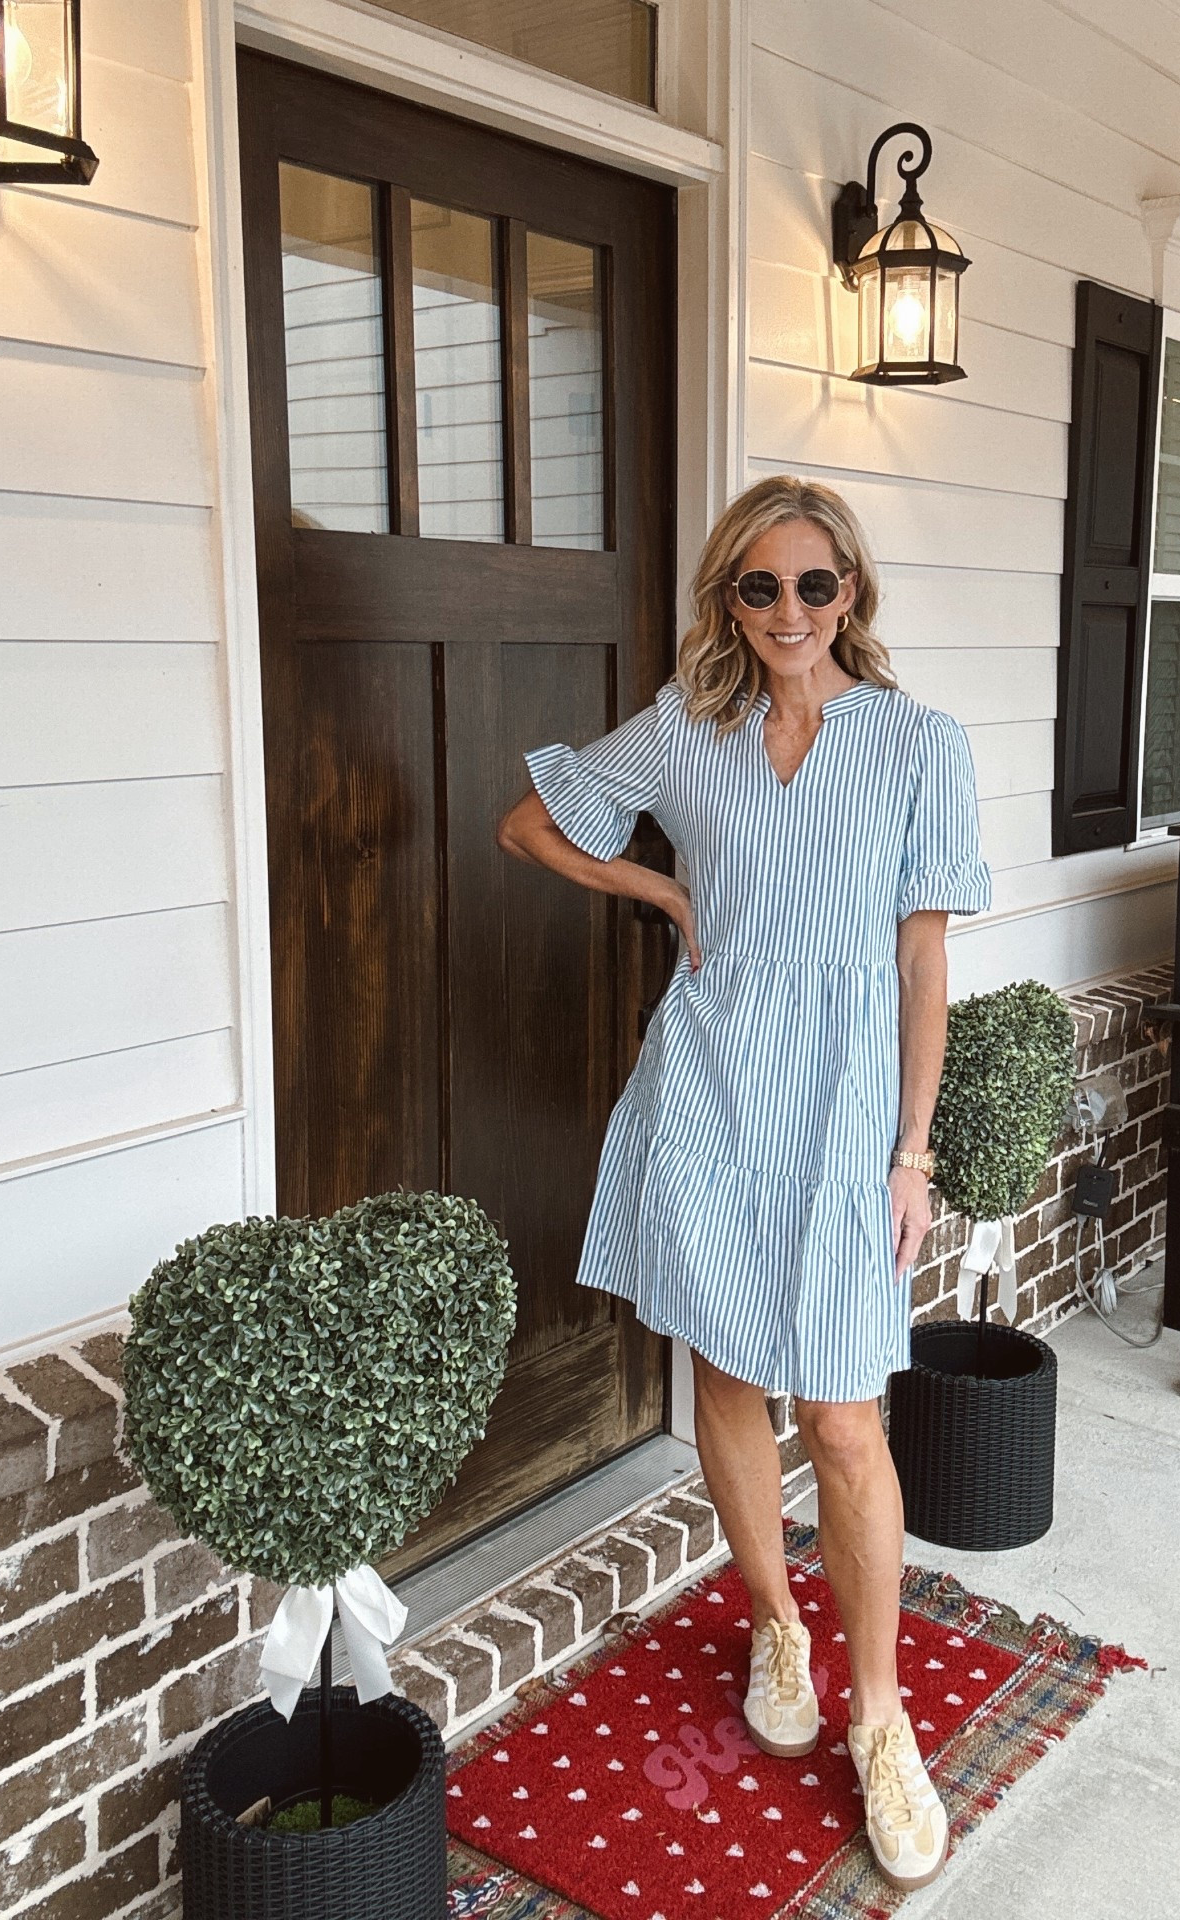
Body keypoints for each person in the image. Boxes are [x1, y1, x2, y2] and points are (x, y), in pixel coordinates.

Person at [496, 474, 991, 1892]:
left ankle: (882, 1715)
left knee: (840, 1414)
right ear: (731, 598)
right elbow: (533, 827)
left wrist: (913, 1149)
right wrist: (662, 894)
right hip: (710, 1092)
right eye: (759, 587)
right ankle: (777, 1621)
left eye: (814, 585)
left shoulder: (915, 743)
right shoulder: (687, 731)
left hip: (848, 1114)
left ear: (853, 594)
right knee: (722, 1380)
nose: (788, 612)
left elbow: (920, 961)